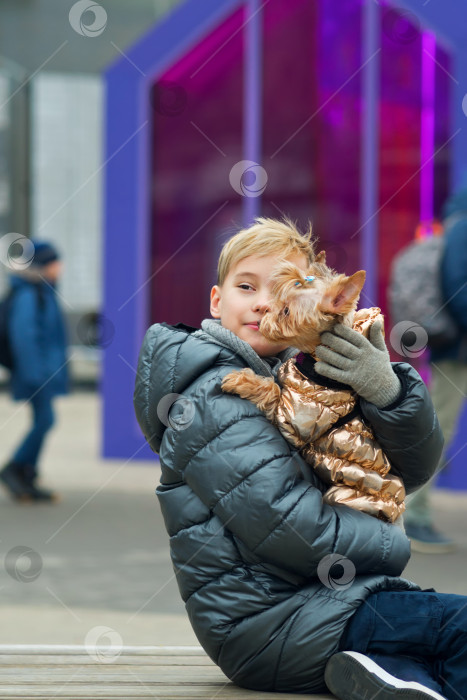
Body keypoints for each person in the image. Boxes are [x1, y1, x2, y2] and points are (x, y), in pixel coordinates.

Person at [134, 218, 467, 698]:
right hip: (272, 625)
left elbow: (413, 469)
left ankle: (397, 681)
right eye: (246, 286)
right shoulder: (209, 397)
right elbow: (288, 526)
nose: (265, 302)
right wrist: (392, 541)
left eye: (284, 289)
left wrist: (386, 392)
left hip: (322, 602)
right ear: (215, 301)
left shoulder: (299, 378)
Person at [404, 188, 467, 553]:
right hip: (457, 348)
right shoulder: (461, 229)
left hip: (455, 346)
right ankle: (413, 515)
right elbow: (459, 291)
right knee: (437, 429)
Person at [0, 240, 69, 502]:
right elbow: (24, 338)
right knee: (45, 421)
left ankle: (26, 474)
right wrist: (35, 376)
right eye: (54, 262)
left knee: (45, 421)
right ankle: (16, 469)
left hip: (44, 373)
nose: (59, 267)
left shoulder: (43, 291)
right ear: (43, 265)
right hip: (37, 375)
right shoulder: (30, 295)